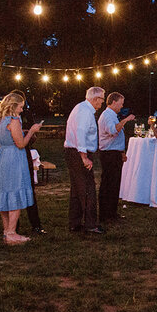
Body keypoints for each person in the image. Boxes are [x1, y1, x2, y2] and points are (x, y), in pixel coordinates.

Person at [0, 89, 45, 235]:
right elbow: (20, 143)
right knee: (15, 192)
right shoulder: (13, 121)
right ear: (13, 106)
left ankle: (7, 230)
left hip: (2, 157)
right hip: (14, 158)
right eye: (20, 106)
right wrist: (32, 131)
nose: (22, 109)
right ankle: (12, 232)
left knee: (4, 193)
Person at [64, 86, 105, 234]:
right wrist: (84, 157)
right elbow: (80, 133)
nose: (102, 103)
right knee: (88, 189)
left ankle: (74, 222)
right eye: (101, 100)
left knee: (77, 189)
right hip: (78, 153)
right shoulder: (85, 112)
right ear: (95, 99)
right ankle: (91, 224)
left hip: (74, 151)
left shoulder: (80, 108)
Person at [97, 92, 134, 225]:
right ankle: (105, 215)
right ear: (113, 102)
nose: (122, 106)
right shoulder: (107, 116)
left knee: (114, 184)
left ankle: (112, 213)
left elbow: (117, 137)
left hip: (115, 153)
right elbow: (113, 131)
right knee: (108, 184)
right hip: (108, 154)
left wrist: (122, 152)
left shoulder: (113, 115)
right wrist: (126, 120)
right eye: (120, 103)